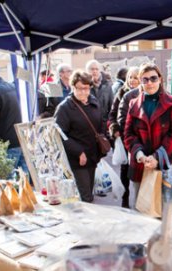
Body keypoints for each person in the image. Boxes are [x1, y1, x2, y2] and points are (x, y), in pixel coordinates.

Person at [124, 63, 172, 203]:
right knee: (141, 207)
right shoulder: (133, 103)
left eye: (153, 78)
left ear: (160, 79)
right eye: (145, 79)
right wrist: (140, 155)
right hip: (141, 163)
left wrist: (156, 158)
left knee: (166, 209)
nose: (150, 83)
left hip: (165, 161)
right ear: (141, 81)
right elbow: (128, 134)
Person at [55, 70, 105, 203]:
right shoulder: (65, 108)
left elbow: (102, 122)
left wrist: (103, 141)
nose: (84, 92)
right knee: (85, 196)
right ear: (73, 87)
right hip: (77, 159)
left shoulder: (94, 102)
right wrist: (78, 151)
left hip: (93, 155)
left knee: (89, 190)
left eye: (87, 88)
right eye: (80, 88)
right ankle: (86, 222)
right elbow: (60, 134)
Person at [108, 67, 139, 208]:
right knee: (125, 170)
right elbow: (112, 114)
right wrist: (114, 129)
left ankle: (141, 200)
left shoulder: (146, 94)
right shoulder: (121, 93)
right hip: (125, 138)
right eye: (130, 77)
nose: (132, 80)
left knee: (141, 170)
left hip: (141, 139)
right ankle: (125, 199)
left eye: (136, 77)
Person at [86, 60, 114, 127]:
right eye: (92, 69)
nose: (94, 71)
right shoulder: (84, 86)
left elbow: (112, 107)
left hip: (104, 124)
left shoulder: (107, 85)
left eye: (96, 69)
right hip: (88, 124)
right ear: (87, 71)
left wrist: (109, 122)